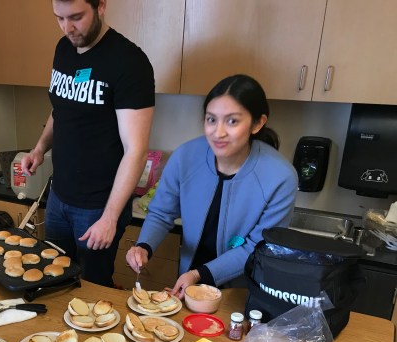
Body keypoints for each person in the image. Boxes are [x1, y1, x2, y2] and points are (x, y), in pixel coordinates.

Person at [20, 0, 155, 287]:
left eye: (76, 17)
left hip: (98, 206)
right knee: (54, 280)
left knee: (93, 287)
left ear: (101, 5)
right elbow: (61, 108)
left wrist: (110, 217)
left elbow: (136, 150)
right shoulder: (63, 49)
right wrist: (40, 148)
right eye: (59, 18)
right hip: (58, 197)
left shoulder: (129, 62)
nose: (67, 28)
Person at [126, 74, 298, 298]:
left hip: (241, 292)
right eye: (211, 119)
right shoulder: (185, 157)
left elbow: (257, 247)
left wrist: (199, 274)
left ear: (257, 123)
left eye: (232, 121)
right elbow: (161, 213)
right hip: (188, 283)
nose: (218, 132)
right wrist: (144, 246)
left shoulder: (280, 177)